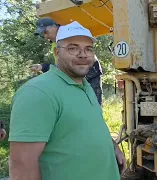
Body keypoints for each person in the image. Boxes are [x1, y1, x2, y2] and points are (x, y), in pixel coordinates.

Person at [9, 21, 125, 180]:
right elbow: (22, 167)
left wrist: (112, 147)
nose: (83, 54)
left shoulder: (85, 86)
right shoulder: (38, 93)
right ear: (57, 52)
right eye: (73, 48)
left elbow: (92, 123)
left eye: (88, 49)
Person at [32, 17, 104, 105]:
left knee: (93, 104)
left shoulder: (69, 33)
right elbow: (61, 67)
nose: (45, 36)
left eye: (46, 32)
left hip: (90, 73)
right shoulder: (55, 44)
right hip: (75, 76)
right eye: (43, 34)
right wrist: (42, 67)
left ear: (54, 26)